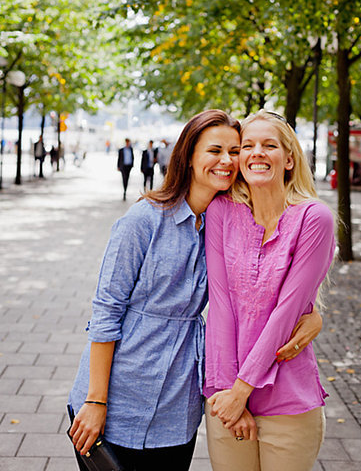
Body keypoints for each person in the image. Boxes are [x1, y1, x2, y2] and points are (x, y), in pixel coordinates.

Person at [67, 110, 321, 471]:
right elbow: (107, 311)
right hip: (120, 397)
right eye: (215, 150)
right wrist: (95, 401)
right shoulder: (144, 221)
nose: (228, 161)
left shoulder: (227, 223)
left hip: (177, 406)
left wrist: (314, 317)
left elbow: (260, 292)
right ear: (188, 157)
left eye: (235, 151)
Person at [204, 110, 335, 471]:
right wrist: (228, 395)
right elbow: (221, 306)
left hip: (288, 402)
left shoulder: (314, 218)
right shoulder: (221, 212)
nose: (257, 153)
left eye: (269, 145)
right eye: (247, 145)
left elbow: (288, 312)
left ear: (289, 158)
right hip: (224, 395)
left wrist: (242, 390)